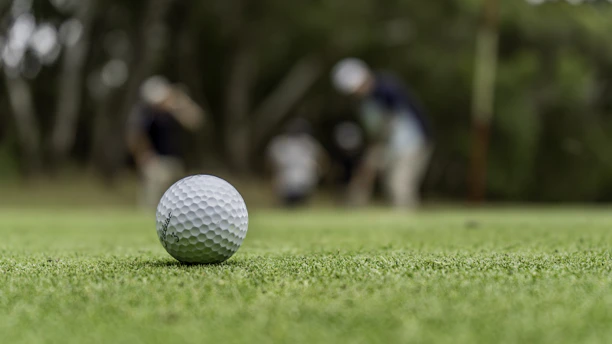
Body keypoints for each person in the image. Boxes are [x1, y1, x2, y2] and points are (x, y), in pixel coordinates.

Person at [331, 58, 433, 209]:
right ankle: (354, 208)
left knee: (399, 182)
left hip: (412, 142)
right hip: (389, 143)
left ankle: (406, 218)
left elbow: (397, 120)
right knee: (367, 169)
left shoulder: (388, 89)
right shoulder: (365, 101)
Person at [126, 76, 205, 209]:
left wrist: (183, 102)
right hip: (155, 161)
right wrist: (143, 156)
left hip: (176, 161)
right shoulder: (146, 113)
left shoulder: (174, 111)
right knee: (152, 202)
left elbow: (196, 121)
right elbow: (135, 135)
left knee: (176, 203)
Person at [267, 118, 327, 207]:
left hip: (285, 185)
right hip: (305, 185)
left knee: (287, 211)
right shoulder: (310, 143)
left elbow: (271, 165)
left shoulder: (279, 143)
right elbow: (323, 162)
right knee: (302, 210)